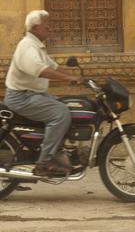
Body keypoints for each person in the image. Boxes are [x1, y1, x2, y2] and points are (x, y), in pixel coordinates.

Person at [4, 10, 83, 176]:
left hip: (33, 94)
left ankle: (60, 151)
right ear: (35, 27)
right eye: (47, 25)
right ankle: (45, 162)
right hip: (21, 97)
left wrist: (76, 76)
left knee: (67, 104)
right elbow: (41, 70)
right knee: (60, 113)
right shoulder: (27, 46)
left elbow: (52, 66)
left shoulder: (37, 46)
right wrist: (68, 77)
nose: (50, 28)